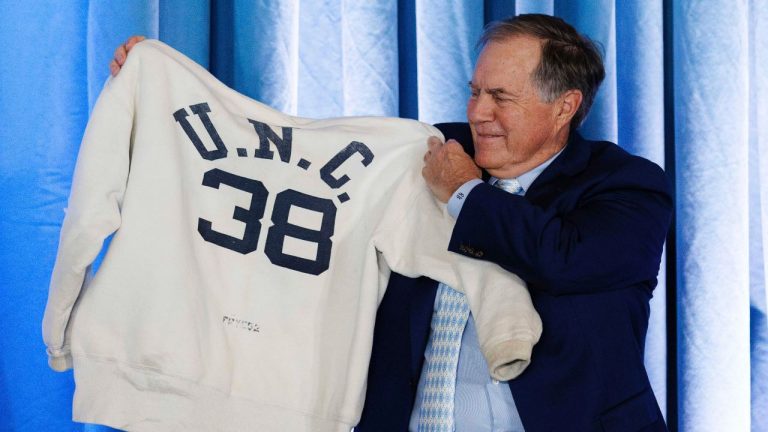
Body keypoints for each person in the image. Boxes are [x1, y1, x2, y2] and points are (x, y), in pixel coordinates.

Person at [111, 13, 671, 431]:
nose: (479, 113)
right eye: (475, 92)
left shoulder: (629, 186)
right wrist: (163, 96)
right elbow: (290, 158)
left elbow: (563, 258)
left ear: (565, 107)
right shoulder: (426, 149)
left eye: (502, 97)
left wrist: (464, 193)